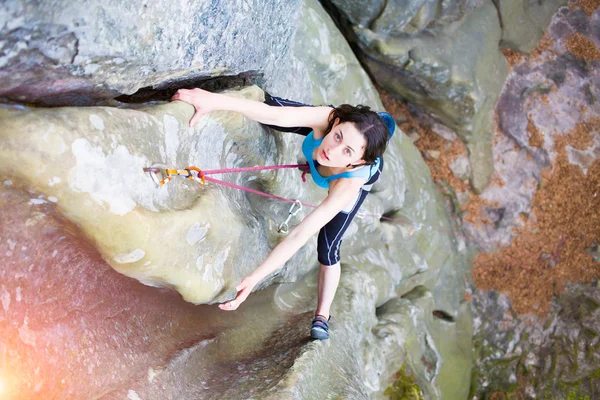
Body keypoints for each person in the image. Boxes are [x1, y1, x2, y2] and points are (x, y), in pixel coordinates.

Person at [171, 88, 395, 340]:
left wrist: (254, 278)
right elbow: (274, 115)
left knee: (328, 246)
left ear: (357, 162)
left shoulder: (349, 184)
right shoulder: (328, 119)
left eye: (347, 152)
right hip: (340, 137)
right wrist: (212, 100)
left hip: (353, 176)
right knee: (270, 107)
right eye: (338, 136)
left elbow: (300, 234)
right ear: (337, 122)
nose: (333, 149)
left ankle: (322, 315)